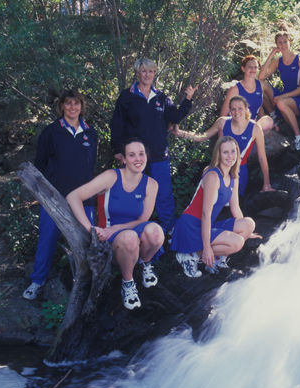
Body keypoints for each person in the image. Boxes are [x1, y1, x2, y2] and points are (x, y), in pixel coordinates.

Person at [66, 139, 164, 310]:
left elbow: (143, 220)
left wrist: (117, 228)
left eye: (141, 154)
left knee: (156, 232)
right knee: (129, 237)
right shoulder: (111, 177)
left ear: (146, 156)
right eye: (132, 155)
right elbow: (73, 197)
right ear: (124, 159)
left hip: (129, 234)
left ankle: (145, 263)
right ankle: (128, 283)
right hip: (110, 240)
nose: (138, 159)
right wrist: (90, 228)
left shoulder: (151, 184)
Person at [23, 89, 97, 300]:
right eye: (68, 103)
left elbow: (90, 164)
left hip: (84, 199)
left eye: (77, 103)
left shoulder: (91, 133)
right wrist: (48, 193)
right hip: (55, 199)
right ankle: (37, 282)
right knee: (46, 240)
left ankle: (89, 284)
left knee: (87, 241)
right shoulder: (50, 132)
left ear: (82, 106)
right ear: (62, 106)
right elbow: (40, 165)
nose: (73, 107)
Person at [110, 58, 197, 233]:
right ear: (137, 73)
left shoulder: (161, 97)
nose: (147, 75)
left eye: (150, 71)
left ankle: (169, 232)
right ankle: (133, 233)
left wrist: (187, 100)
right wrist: (118, 150)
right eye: (144, 71)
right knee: (134, 197)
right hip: (134, 157)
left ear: (154, 73)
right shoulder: (127, 96)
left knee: (164, 196)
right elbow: (117, 124)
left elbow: (176, 117)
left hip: (158, 156)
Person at [172, 137, 259, 277]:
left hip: (207, 225)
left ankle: (216, 260)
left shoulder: (233, 176)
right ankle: (190, 255)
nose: (230, 156)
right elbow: (205, 214)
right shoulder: (213, 175)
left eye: (233, 151)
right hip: (191, 226)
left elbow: (235, 208)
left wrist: (247, 233)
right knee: (237, 243)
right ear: (218, 154)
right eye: (225, 152)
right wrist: (207, 247)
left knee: (249, 224)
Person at [176, 96, 274, 195]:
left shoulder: (255, 128)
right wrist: (179, 132)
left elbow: (262, 158)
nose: (237, 112)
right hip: (220, 168)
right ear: (230, 111)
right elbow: (202, 137)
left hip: (239, 172)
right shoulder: (222, 122)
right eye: (233, 109)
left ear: (246, 109)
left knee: (231, 204)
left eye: (240, 108)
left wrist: (267, 184)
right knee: (207, 173)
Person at [259, 31, 300, 151]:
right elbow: (261, 77)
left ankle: (299, 137)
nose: (283, 45)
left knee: (281, 102)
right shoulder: (278, 62)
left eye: (285, 41)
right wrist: (271, 55)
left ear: (290, 42)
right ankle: (274, 116)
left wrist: (282, 97)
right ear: (276, 45)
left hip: (299, 99)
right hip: (283, 98)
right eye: (279, 43)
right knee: (260, 85)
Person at [222, 55, 274, 133]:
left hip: (252, 125)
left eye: (255, 67)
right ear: (243, 69)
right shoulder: (234, 89)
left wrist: (266, 124)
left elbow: (258, 106)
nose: (253, 69)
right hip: (237, 127)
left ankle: (252, 138)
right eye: (250, 67)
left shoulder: (261, 85)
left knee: (268, 120)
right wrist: (222, 141)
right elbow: (222, 117)